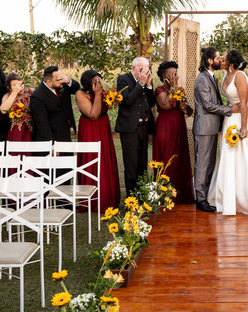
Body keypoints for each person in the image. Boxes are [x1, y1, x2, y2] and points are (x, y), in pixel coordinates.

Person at [209, 50, 248, 216]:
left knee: (246, 157)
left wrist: (244, 128)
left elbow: (244, 104)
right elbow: (229, 100)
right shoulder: (225, 76)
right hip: (230, 119)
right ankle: (229, 197)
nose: (220, 61)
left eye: (223, 59)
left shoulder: (240, 76)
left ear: (231, 64)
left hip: (242, 119)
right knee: (229, 156)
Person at [192, 47, 236, 212]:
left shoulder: (211, 77)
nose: (220, 60)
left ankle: (207, 195)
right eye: (218, 58)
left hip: (211, 127)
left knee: (209, 164)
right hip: (204, 128)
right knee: (202, 164)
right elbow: (208, 105)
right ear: (209, 61)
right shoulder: (203, 79)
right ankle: (200, 200)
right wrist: (230, 110)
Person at [74, 70, 121, 210]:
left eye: (99, 79)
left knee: (105, 158)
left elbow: (115, 103)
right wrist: (99, 94)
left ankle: (107, 195)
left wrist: (109, 93)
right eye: (95, 81)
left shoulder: (103, 88)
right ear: (88, 82)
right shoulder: (80, 94)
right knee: (91, 158)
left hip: (103, 126)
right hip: (90, 127)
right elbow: (93, 115)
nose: (98, 83)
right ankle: (91, 199)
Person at [115, 56, 157, 196]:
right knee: (131, 164)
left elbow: (151, 103)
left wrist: (149, 86)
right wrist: (140, 84)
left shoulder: (146, 81)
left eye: (147, 69)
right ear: (133, 68)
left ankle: (141, 195)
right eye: (141, 69)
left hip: (144, 127)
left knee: (142, 162)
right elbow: (127, 100)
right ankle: (131, 198)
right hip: (129, 128)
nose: (145, 72)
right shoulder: (123, 79)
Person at [152, 60, 194, 202]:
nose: (175, 76)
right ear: (164, 76)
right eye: (171, 74)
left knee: (179, 158)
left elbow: (189, 111)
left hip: (179, 126)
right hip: (165, 127)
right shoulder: (159, 90)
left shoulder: (180, 90)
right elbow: (166, 105)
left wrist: (186, 105)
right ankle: (163, 195)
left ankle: (180, 196)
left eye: (175, 73)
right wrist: (172, 88)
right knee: (166, 158)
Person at [29, 65, 79, 143]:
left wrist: (68, 80)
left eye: (61, 77)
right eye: (58, 79)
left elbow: (76, 88)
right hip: (51, 136)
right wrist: (51, 145)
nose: (61, 81)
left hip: (65, 133)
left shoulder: (62, 84)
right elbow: (42, 123)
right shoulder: (37, 96)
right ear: (49, 82)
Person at [0, 74, 33, 143]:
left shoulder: (31, 92)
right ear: (9, 88)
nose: (19, 87)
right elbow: (3, 110)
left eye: (20, 84)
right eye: (15, 85)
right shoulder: (8, 96)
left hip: (32, 128)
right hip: (17, 130)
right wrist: (14, 93)